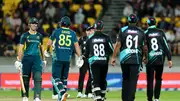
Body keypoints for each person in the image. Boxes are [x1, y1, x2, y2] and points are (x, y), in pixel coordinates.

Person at [46, 16, 82, 101]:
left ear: (61, 23)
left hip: (57, 58)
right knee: (64, 78)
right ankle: (62, 96)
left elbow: (48, 43)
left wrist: (47, 50)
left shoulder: (57, 31)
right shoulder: (73, 33)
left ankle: (62, 93)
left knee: (56, 78)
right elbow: (77, 46)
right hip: (67, 59)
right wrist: (80, 57)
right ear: (69, 24)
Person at [111, 14, 145, 101]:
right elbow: (144, 47)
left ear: (128, 21)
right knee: (133, 80)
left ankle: (124, 99)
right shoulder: (141, 31)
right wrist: (145, 57)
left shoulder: (123, 30)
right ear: (137, 21)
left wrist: (113, 57)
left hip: (125, 59)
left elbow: (118, 44)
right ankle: (131, 99)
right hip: (136, 59)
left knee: (125, 79)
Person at [14, 17, 47, 101]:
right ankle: (25, 96)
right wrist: (18, 60)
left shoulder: (40, 36)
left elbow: (41, 49)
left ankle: (37, 97)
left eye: (36, 24)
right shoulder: (24, 36)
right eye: (33, 23)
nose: (35, 25)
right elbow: (21, 49)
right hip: (26, 58)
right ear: (29, 25)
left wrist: (43, 60)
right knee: (25, 78)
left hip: (36, 59)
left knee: (38, 78)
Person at [144, 17, 172, 101]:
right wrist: (169, 59)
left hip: (150, 59)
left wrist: (144, 57)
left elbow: (144, 47)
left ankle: (149, 99)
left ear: (148, 24)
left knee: (150, 80)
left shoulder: (145, 33)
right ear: (155, 23)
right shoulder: (160, 32)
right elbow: (166, 46)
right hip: (160, 58)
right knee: (158, 79)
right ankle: (157, 98)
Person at [85, 20, 114, 101]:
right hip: (104, 61)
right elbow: (111, 50)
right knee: (103, 80)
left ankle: (98, 98)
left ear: (94, 28)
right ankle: (102, 96)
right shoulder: (106, 37)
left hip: (94, 62)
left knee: (95, 80)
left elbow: (86, 53)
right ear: (102, 28)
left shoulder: (90, 38)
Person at [77, 26, 94, 98]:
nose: (89, 32)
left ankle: (88, 92)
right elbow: (76, 46)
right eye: (88, 30)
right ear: (86, 31)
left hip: (91, 59)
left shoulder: (94, 39)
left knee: (91, 76)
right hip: (84, 59)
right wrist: (79, 55)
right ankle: (80, 92)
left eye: (90, 30)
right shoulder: (82, 39)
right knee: (82, 76)